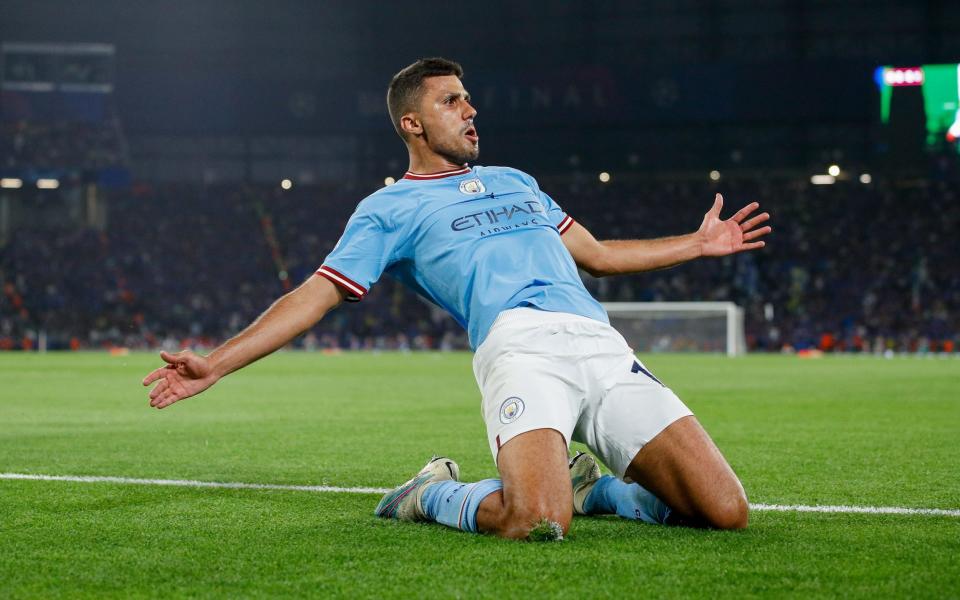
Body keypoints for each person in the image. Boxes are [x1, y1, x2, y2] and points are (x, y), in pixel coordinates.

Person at [142, 57, 771, 541]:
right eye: (451, 101)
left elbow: (600, 256)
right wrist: (216, 363)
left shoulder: (516, 181)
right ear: (412, 123)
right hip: (520, 349)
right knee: (534, 522)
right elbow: (314, 296)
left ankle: (596, 491)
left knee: (725, 512)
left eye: (469, 99)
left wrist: (696, 244)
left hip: (601, 344)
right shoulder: (388, 210)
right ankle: (432, 493)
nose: (470, 111)